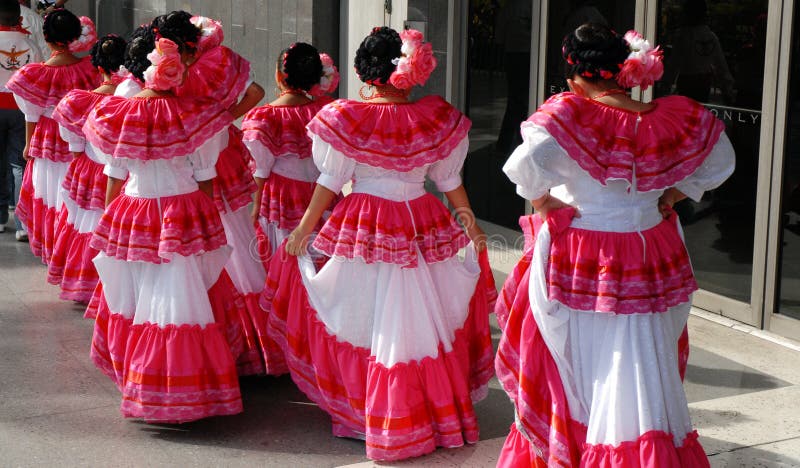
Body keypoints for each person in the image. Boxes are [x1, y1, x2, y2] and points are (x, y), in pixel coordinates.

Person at [494, 23, 735, 466]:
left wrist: (546, 202)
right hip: (649, 248)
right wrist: (673, 195)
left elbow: (522, 170)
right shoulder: (668, 116)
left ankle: (585, 443)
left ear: (574, 76)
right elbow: (721, 161)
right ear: (622, 71)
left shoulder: (569, 115)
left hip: (588, 252)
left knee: (585, 358)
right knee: (642, 353)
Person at [262, 26, 496, 461]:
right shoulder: (435, 118)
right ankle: (422, 413)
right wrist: (470, 226)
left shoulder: (347, 117)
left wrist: (302, 230)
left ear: (360, 71)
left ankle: (368, 413)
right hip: (421, 218)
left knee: (361, 316)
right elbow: (449, 182)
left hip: (366, 221)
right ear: (411, 72)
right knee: (420, 323)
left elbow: (330, 182)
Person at [84, 25, 244, 422]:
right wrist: (205, 228)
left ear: (136, 71)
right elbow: (206, 176)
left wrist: (108, 225)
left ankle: (142, 382)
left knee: (133, 294)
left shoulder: (113, 113)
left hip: (131, 209)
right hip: (182, 210)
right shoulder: (199, 115)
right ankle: (181, 390)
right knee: (181, 297)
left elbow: (113, 175)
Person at [167, 13, 270, 376]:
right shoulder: (219, 63)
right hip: (222, 151)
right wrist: (225, 117)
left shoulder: (168, 72)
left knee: (205, 238)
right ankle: (261, 342)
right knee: (237, 236)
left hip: (188, 161)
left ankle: (221, 331)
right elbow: (256, 92)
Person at [6, 8, 100, 262]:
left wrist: (28, 145)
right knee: (73, 200)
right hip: (82, 143)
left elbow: (31, 115)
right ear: (73, 37)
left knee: (50, 196)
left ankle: (55, 253)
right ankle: (71, 255)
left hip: (48, 140)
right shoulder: (91, 70)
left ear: (46, 37)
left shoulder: (33, 74)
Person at [242, 43, 337, 268]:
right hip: (323, 192)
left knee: (284, 258)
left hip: (282, 195)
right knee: (320, 257)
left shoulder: (264, 117)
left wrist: (254, 207)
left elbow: (261, 169)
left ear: (278, 75)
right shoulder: (328, 110)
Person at [46, 34, 126, 303]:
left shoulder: (80, 101)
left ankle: (87, 284)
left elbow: (75, 146)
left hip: (90, 169)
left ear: (99, 68)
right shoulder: (136, 102)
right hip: (129, 176)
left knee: (87, 224)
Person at [0, 0, 41, 237]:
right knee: (19, 164)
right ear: (19, 18)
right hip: (21, 109)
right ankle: (22, 224)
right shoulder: (30, 44)